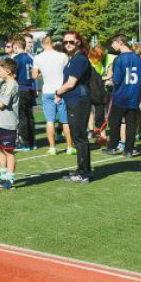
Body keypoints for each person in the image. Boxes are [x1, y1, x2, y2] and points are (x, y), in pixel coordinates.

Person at [54, 31, 94, 183]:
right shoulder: (74, 59)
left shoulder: (79, 59)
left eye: (71, 41)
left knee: (79, 137)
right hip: (74, 100)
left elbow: (71, 83)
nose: (68, 44)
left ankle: (84, 173)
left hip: (79, 101)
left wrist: (58, 93)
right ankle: (82, 169)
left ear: (78, 41)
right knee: (77, 137)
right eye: (65, 42)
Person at [104, 34, 141, 158]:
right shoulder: (138, 58)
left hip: (121, 94)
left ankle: (113, 146)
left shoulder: (119, 59)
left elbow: (116, 79)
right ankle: (129, 149)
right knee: (131, 123)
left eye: (114, 43)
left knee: (114, 122)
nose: (112, 45)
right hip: (134, 94)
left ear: (120, 42)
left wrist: (108, 82)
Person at [33, 35, 71, 156]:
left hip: (47, 90)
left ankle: (52, 147)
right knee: (65, 121)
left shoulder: (38, 57)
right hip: (62, 90)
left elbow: (34, 75)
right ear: (52, 43)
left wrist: (43, 73)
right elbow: (68, 72)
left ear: (42, 44)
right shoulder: (63, 56)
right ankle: (70, 147)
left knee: (50, 121)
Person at [0, 57, 20, 190]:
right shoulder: (5, 83)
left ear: (7, 71)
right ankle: (3, 174)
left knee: (9, 151)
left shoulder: (12, 84)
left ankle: (10, 177)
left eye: (0, 70)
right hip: (1, 122)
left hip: (8, 123)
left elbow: (2, 103)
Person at [11, 37, 37, 151]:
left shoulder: (16, 58)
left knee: (22, 117)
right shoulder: (31, 57)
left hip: (21, 89)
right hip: (30, 88)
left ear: (16, 46)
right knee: (29, 116)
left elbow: (14, 75)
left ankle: (25, 143)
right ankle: (32, 142)